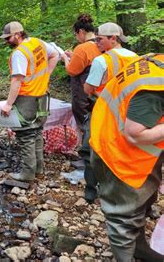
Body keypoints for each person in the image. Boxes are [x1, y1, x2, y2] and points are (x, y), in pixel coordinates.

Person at [90, 54, 164, 262]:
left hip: (138, 150)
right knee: (123, 215)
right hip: (118, 152)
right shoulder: (155, 89)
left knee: (143, 203)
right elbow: (134, 134)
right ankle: (125, 256)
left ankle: (138, 247)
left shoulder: (155, 59)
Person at [81, 22, 138, 203]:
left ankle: (92, 189)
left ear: (113, 39)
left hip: (103, 112)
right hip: (128, 112)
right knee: (122, 150)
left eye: (100, 39)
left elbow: (88, 89)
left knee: (90, 149)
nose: (96, 43)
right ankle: (122, 189)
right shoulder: (136, 58)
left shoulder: (101, 60)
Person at [0, 21, 59, 182]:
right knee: (37, 131)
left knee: (25, 134)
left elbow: (17, 81)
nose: (6, 42)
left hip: (27, 99)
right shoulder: (38, 43)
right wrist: (47, 74)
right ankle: (39, 169)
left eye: (8, 38)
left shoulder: (19, 53)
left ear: (18, 34)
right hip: (43, 95)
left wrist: (8, 104)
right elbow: (55, 55)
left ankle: (27, 174)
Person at [61, 14, 101, 130]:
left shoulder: (82, 48)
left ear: (81, 31)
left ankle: (86, 145)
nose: (76, 38)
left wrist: (65, 59)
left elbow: (71, 71)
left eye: (76, 34)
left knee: (86, 123)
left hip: (84, 93)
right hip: (100, 91)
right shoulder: (101, 45)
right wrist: (74, 56)